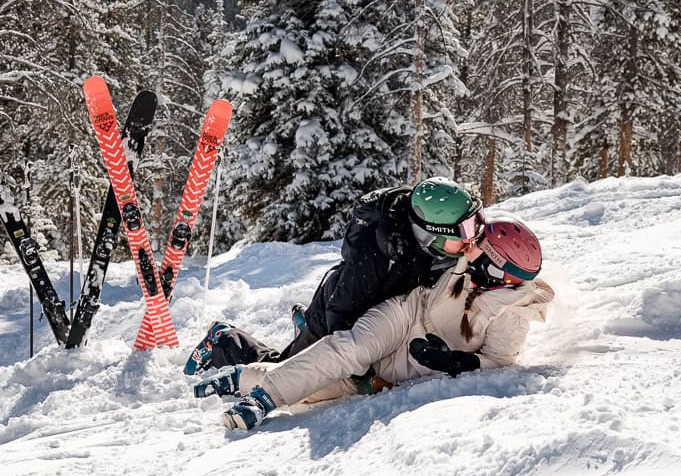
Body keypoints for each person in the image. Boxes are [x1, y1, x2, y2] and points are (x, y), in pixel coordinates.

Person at [191, 215, 554, 430]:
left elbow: (500, 361)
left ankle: (241, 377)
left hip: (407, 363)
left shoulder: (514, 314)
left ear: (498, 271)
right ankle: (262, 399)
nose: (469, 246)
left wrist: (453, 362)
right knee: (348, 349)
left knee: (327, 386)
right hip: (405, 313)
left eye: (480, 247)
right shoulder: (472, 264)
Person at [184, 177, 484, 374]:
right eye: (465, 230)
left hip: (369, 312)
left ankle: (303, 328)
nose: (473, 237)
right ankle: (224, 341)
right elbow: (342, 316)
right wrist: (360, 367)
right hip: (336, 310)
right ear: (431, 234)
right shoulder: (375, 260)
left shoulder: (431, 248)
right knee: (283, 371)